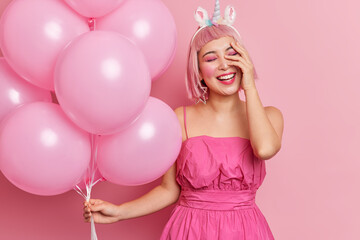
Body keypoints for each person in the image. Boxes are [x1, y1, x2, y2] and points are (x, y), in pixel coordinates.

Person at [83, 1, 284, 239]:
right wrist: (118, 212)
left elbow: (264, 148)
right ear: (198, 72)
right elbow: (170, 190)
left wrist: (249, 86)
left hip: (245, 230)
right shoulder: (179, 119)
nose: (224, 65)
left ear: (245, 61)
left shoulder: (270, 115)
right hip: (191, 230)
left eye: (232, 54)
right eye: (211, 58)